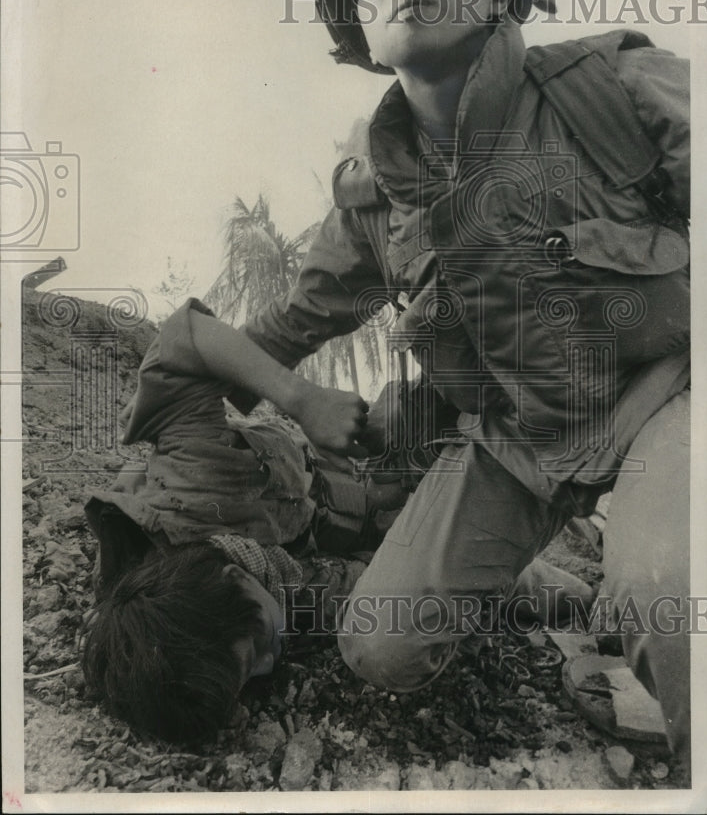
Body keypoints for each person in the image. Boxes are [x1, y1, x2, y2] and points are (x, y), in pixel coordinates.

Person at [208, 0, 688, 765]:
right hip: (524, 443)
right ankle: (614, 633)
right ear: (356, 22)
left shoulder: (613, 87)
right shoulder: (373, 198)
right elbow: (290, 325)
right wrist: (188, 365)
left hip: (669, 389)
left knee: (667, 578)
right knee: (379, 645)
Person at [82, 298, 591, 743]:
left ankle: (569, 388)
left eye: (255, 649)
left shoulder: (190, 481)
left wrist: (304, 401)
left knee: (498, 383)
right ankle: (581, 591)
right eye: (250, 679)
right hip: (386, 508)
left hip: (372, 453)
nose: (269, 664)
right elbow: (359, 588)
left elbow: (186, 339)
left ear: (235, 577)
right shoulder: (263, 604)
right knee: (553, 597)